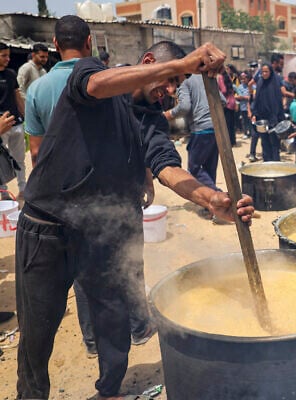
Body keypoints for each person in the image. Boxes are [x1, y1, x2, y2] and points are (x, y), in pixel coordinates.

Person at [15, 34, 255, 400]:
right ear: (147, 63)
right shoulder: (91, 71)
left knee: (112, 319)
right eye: (170, 81)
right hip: (47, 228)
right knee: (37, 333)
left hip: (101, 232)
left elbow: (167, 167)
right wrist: (182, 64)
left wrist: (211, 199)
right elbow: (95, 86)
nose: (171, 91)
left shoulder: (150, 120)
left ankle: (109, 391)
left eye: (178, 84)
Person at [24, 16, 156, 359]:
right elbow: (128, 135)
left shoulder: (38, 89)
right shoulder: (106, 81)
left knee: (81, 276)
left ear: (54, 45)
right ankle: (139, 326)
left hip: (57, 205)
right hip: (105, 198)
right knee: (120, 265)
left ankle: (93, 342)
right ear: (89, 44)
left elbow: (37, 152)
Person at [164, 73, 222, 192]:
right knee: (209, 168)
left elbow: (185, 107)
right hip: (216, 129)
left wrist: (169, 114)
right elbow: (222, 100)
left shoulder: (185, 83)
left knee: (194, 168)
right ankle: (210, 204)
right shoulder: (205, 79)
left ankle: (218, 195)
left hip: (200, 130)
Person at [0, 42, 26, 200]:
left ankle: (23, 188)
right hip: (1, 126)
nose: (8, 58)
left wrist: (25, 116)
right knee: (1, 160)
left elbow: (17, 96)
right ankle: (3, 191)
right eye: (4, 55)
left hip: (16, 123)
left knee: (19, 158)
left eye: (8, 55)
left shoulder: (10, 74)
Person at [249, 63, 284, 162]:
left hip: (273, 118)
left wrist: (278, 117)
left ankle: (275, 163)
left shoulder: (275, 83)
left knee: (274, 142)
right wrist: (254, 114)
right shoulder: (260, 83)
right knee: (264, 142)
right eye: (262, 72)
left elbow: (278, 102)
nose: (264, 74)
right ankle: (267, 162)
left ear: (270, 72)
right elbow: (257, 100)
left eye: (266, 72)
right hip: (262, 118)